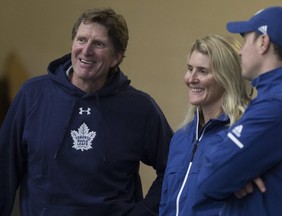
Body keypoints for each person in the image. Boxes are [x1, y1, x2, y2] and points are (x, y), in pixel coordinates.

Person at [0, 7, 173, 216]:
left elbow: (174, 168)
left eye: (99, 44)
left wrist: (144, 212)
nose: (86, 50)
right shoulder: (33, 94)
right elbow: (5, 167)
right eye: (81, 40)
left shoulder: (140, 108)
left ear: (116, 57)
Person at [197, 6, 282, 216]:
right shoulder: (272, 98)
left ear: (263, 42)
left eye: (246, 40)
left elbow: (210, 179)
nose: (240, 50)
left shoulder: (274, 106)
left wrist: (234, 171)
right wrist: (239, 170)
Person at [159, 35, 251, 216]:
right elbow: (166, 203)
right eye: (190, 69)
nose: (190, 78)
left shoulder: (241, 137)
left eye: (202, 71)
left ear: (226, 77)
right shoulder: (180, 137)